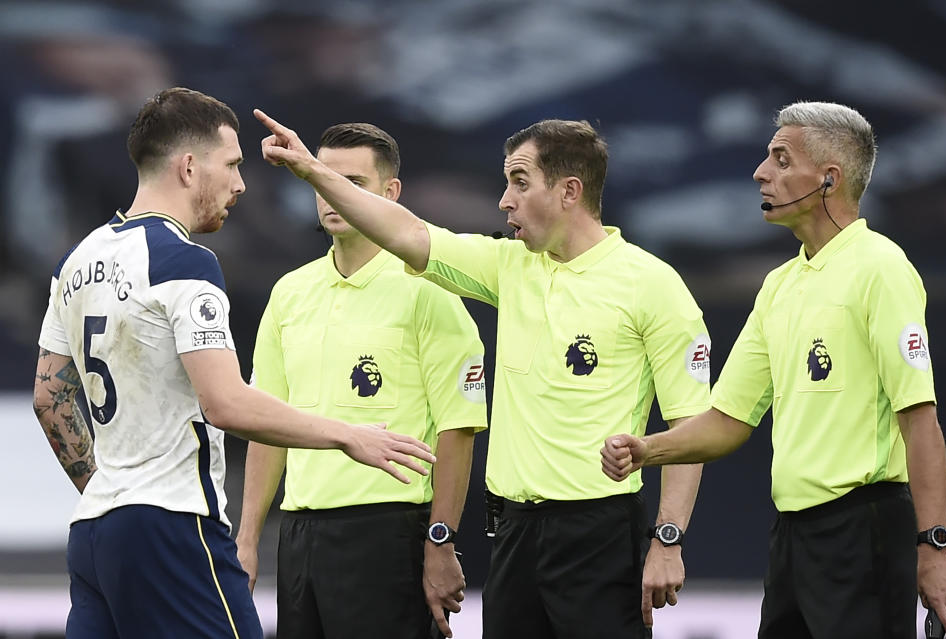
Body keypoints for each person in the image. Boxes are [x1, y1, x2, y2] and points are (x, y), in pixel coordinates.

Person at [254, 108, 714, 638]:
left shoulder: (651, 284)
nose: (504, 201)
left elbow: (690, 424)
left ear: (569, 191)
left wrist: (668, 538)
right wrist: (313, 171)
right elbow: (406, 231)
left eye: (519, 182)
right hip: (513, 534)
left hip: (600, 531)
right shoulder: (509, 266)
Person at [32, 87, 435, 639]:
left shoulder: (76, 260)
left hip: (96, 532)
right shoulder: (184, 261)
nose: (241, 184)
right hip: (174, 526)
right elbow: (225, 403)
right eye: (233, 164)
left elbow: (49, 398)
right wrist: (347, 436)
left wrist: (111, 492)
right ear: (190, 166)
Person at [601, 101, 946, 639]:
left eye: (781, 159)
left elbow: (920, 422)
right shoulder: (779, 285)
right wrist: (646, 451)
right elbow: (728, 420)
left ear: (828, 179)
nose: (761, 173)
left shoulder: (881, 269)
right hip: (792, 537)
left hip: (863, 531)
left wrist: (934, 547)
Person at [235, 122, 488, 639]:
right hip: (300, 532)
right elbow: (268, 424)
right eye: (324, 178)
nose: (333, 194)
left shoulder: (428, 288)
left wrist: (440, 541)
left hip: (389, 530)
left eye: (353, 182)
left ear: (391, 194)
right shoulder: (290, 292)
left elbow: (458, 427)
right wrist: (247, 540)